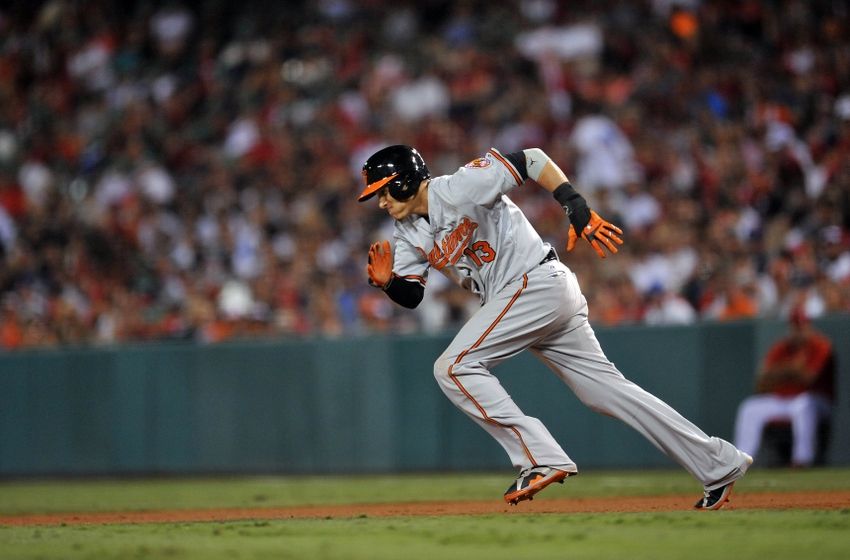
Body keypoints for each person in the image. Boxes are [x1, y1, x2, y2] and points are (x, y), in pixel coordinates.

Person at [358, 144, 752, 510]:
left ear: (405, 180)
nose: (381, 200)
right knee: (605, 392)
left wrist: (574, 203)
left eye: (384, 190)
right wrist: (388, 283)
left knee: (453, 366)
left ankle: (539, 458)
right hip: (527, 297)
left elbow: (531, 159)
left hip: (533, 282)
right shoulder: (407, 231)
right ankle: (718, 463)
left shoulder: (459, 186)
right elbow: (412, 296)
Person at [734, 309, 836, 467]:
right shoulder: (782, 347)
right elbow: (761, 381)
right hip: (784, 400)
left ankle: (802, 460)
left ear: (809, 327)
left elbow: (808, 379)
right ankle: (739, 462)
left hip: (816, 401)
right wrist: (791, 369)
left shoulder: (819, 345)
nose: (799, 332)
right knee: (750, 408)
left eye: (802, 327)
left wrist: (780, 373)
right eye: (795, 327)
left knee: (803, 406)